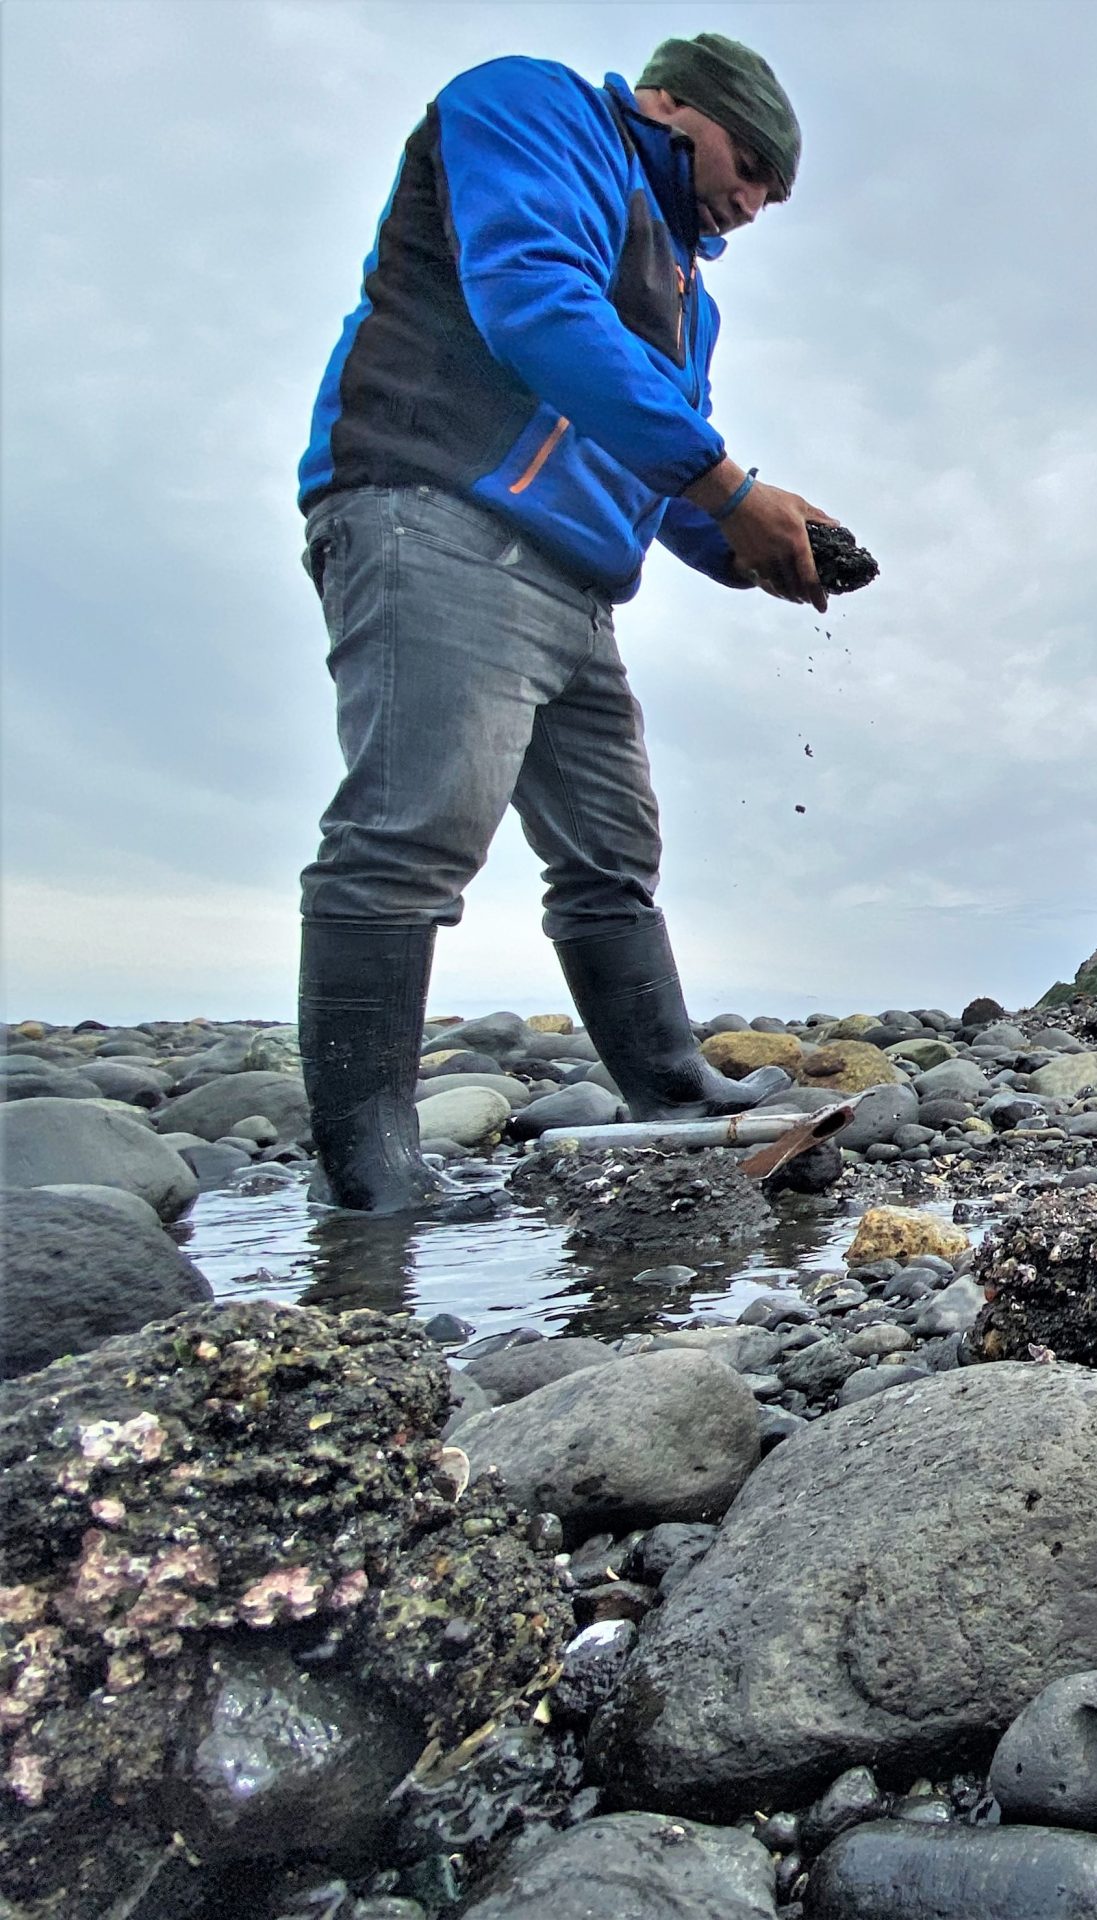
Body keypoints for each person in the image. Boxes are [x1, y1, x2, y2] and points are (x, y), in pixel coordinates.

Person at [293, 32, 837, 1212]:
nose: (751, 203)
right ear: (673, 105)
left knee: (611, 854)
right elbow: (535, 303)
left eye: (770, 194)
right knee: (413, 827)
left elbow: (661, 476)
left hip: (578, 586)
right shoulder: (534, 110)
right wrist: (733, 489)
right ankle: (371, 1170)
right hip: (433, 513)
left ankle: (667, 1086)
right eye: (748, 168)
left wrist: (763, 550)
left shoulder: (695, 305)